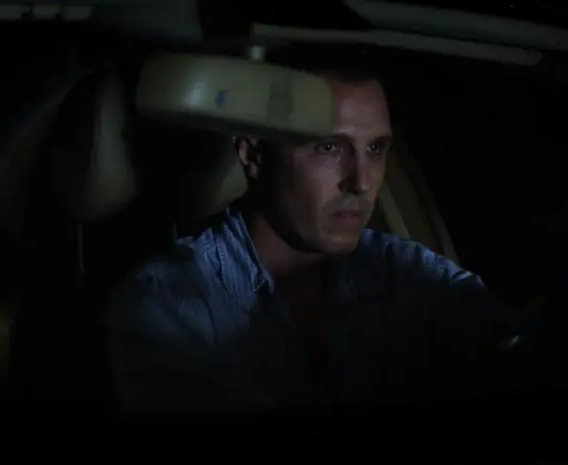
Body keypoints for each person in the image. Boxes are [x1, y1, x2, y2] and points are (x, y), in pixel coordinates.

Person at [103, 53, 549, 416]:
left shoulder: (402, 272)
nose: (362, 182)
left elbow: (511, 343)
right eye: (329, 147)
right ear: (254, 154)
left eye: (375, 148)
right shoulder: (169, 301)